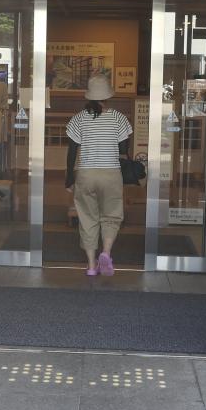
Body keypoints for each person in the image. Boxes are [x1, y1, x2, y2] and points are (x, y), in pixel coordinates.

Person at [65, 74, 132, 276]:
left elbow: (71, 152)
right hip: (110, 173)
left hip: (86, 174)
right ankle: (106, 252)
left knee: (87, 218)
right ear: (107, 96)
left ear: (89, 95)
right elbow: (124, 148)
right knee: (111, 215)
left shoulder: (78, 118)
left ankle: (92, 266)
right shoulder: (118, 118)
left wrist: (69, 178)